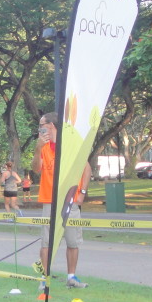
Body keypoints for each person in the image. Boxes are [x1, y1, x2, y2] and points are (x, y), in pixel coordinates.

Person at [32, 112, 91, 288]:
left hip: (70, 201)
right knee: (47, 242)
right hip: (49, 201)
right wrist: (37, 149)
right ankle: (44, 279)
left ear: (52, 125)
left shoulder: (71, 145)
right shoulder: (42, 145)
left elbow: (86, 170)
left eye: (42, 125)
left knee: (73, 241)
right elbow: (36, 169)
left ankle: (71, 277)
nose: (40, 128)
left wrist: (82, 193)